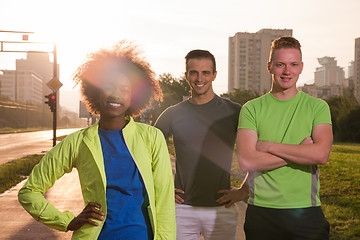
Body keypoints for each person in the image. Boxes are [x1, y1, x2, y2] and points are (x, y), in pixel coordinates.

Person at [18, 41, 176, 240]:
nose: (115, 94)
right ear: (95, 91)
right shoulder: (78, 142)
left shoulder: (152, 138)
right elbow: (29, 192)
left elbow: (164, 202)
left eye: (124, 89)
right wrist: (66, 221)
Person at [237, 36, 332, 239]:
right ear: (269, 67)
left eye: (293, 65)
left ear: (301, 67)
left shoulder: (318, 107)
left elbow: (321, 155)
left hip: (306, 212)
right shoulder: (251, 109)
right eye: (280, 65)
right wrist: (300, 150)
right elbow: (246, 161)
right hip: (262, 213)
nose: (287, 71)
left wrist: (267, 146)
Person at [154, 49, 248, 240]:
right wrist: (161, 189)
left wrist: (244, 191)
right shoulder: (173, 114)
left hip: (222, 209)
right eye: (194, 72)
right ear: (186, 75)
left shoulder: (234, 111)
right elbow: (147, 153)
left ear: (214, 75)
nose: (199, 78)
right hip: (182, 210)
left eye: (205, 72)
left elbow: (259, 150)